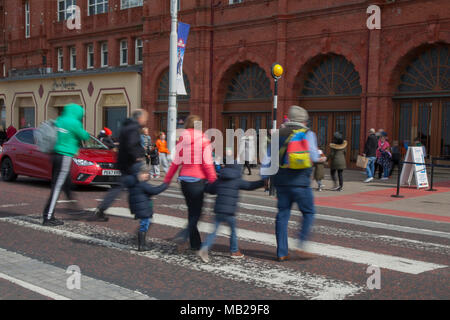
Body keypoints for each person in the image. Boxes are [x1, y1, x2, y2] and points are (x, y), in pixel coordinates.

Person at [262, 105, 320, 261]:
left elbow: (268, 158)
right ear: (304, 121)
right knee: (308, 212)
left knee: (282, 215)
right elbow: (314, 157)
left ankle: (282, 252)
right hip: (301, 182)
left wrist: (264, 178)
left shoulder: (277, 134)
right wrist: (322, 157)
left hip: (281, 181)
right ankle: (300, 244)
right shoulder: (308, 134)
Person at [164, 115, 217, 252]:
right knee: (197, 214)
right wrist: (214, 181)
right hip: (197, 181)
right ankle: (184, 234)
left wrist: (167, 179)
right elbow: (207, 164)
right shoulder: (204, 140)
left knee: (191, 212)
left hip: (184, 181)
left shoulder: (182, 139)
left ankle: (195, 243)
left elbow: (176, 162)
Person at [198, 163, 265, 263]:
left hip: (218, 210)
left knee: (214, 232)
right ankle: (234, 251)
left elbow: (210, 189)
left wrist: (204, 183)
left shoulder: (220, 179)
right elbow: (250, 186)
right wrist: (262, 182)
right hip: (230, 212)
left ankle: (205, 248)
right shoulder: (237, 180)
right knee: (233, 231)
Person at [89, 109, 148, 222]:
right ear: (139, 118)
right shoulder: (133, 128)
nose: (145, 120)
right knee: (140, 187)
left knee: (119, 187)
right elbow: (131, 145)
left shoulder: (126, 126)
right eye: (145, 118)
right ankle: (140, 212)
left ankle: (102, 208)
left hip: (123, 162)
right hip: (132, 163)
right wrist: (138, 156)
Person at [42, 103, 90, 226]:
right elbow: (84, 135)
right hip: (65, 156)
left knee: (63, 183)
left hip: (55, 154)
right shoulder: (74, 123)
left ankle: (72, 207)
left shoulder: (60, 119)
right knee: (57, 187)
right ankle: (48, 217)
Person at [124, 162, 168, 251]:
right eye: (144, 173)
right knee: (144, 225)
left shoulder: (133, 184)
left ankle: (141, 242)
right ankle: (141, 245)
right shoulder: (142, 184)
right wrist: (165, 185)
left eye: (147, 173)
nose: (146, 175)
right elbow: (155, 190)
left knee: (145, 224)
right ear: (138, 174)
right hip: (143, 209)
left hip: (139, 208)